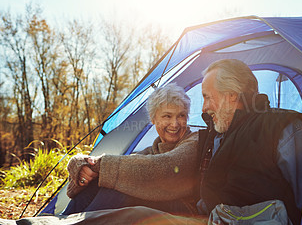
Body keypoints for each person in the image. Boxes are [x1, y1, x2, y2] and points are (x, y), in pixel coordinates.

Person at [0, 59, 302, 225]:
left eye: (207, 98)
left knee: (134, 219)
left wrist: (103, 166)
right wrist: (92, 166)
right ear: (154, 120)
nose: (205, 109)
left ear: (231, 96)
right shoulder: (219, 134)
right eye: (166, 117)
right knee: (112, 194)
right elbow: (141, 161)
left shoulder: (276, 129)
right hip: (205, 220)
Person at [62, 83, 199, 215]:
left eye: (181, 115)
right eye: (167, 116)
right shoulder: (150, 152)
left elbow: (167, 166)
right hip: (160, 205)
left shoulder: (195, 141)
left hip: (184, 208)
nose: (175, 124)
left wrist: (98, 165)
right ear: (153, 119)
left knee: (120, 188)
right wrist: (82, 165)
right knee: (105, 183)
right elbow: (124, 166)